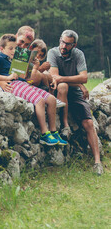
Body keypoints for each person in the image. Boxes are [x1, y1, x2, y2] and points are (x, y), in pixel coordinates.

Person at [0, 34, 67, 146]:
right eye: (11, 48)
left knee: (51, 99)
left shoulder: (17, 57)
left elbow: (25, 77)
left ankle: (53, 132)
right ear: (2, 49)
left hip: (22, 83)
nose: (14, 50)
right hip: (13, 85)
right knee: (39, 101)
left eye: (16, 48)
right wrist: (6, 78)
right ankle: (45, 134)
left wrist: (34, 67)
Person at [47, 30, 103, 175]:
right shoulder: (53, 53)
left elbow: (84, 78)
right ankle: (65, 126)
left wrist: (79, 83)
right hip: (60, 92)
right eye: (62, 42)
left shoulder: (78, 54)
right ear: (60, 39)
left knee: (88, 123)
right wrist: (77, 82)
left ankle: (97, 162)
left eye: (68, 44)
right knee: (63, 86)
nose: (63, 46)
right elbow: (54, 77)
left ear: (74, 45)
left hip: (76, 94)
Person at [0, 26, 35, 93]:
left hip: (18, 84)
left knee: (38, 75)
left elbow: (25, 76)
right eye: (21, 41)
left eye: (26, 44)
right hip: (3, 85)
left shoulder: (23, 53)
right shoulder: (5, 49)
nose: (22, 46)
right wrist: (1, 83)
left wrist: (31, 65)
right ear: (16, 36)